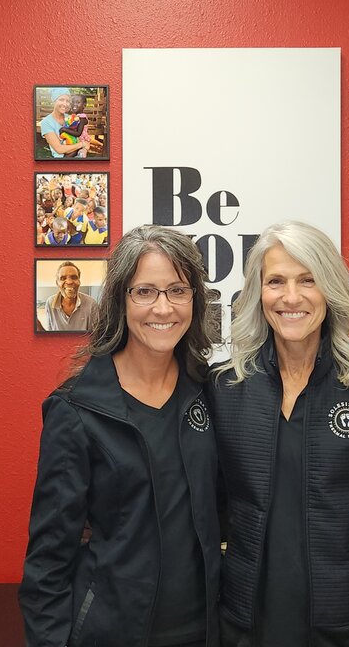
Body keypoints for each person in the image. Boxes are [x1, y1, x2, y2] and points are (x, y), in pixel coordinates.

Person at [211, 221, 349, 647]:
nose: (291, 297)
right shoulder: (225, 387)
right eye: (276, 281)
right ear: (258, 293)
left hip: (344, 624)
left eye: (307, 280)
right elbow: (200, 500)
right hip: (241, 624)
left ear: (328, 288)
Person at [20, 226, 223, 647]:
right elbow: (49, 559)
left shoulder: (213, 393)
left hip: (206, 629)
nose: (163, 308)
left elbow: (249, 490)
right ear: (119, 300)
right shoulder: (75, 410)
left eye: (178, 290)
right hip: (110, 631)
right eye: (144, 291)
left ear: (195, 300)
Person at [43, 261, 97, 332]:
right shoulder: (50, 303)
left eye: (74, 277)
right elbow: (49, 335)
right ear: (57, 283)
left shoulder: (91, 304)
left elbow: (96, 336)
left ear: (79, 281)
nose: (69, 282)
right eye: (63, 278)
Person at [39, 88, 90, 159]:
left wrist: (84, 149)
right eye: (61, 100)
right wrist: (83, 144)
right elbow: (59, 149)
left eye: (68, 101)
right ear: (54, 101)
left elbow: (79, 134)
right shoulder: (46, 122)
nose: (65, 104)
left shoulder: (70, 118)